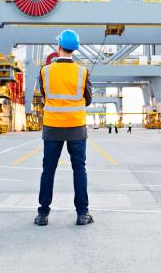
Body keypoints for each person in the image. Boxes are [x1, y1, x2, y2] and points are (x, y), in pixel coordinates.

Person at [35, 29, 94, 227]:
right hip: (76, 127)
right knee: (79, 169)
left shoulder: (45, 71)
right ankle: (82, 214)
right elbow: (88, 100)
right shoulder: (83, 72)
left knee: (48, 170)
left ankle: (43, 214)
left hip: (52, 126)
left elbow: (44, 95)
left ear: (59, 47)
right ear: (74, 50)